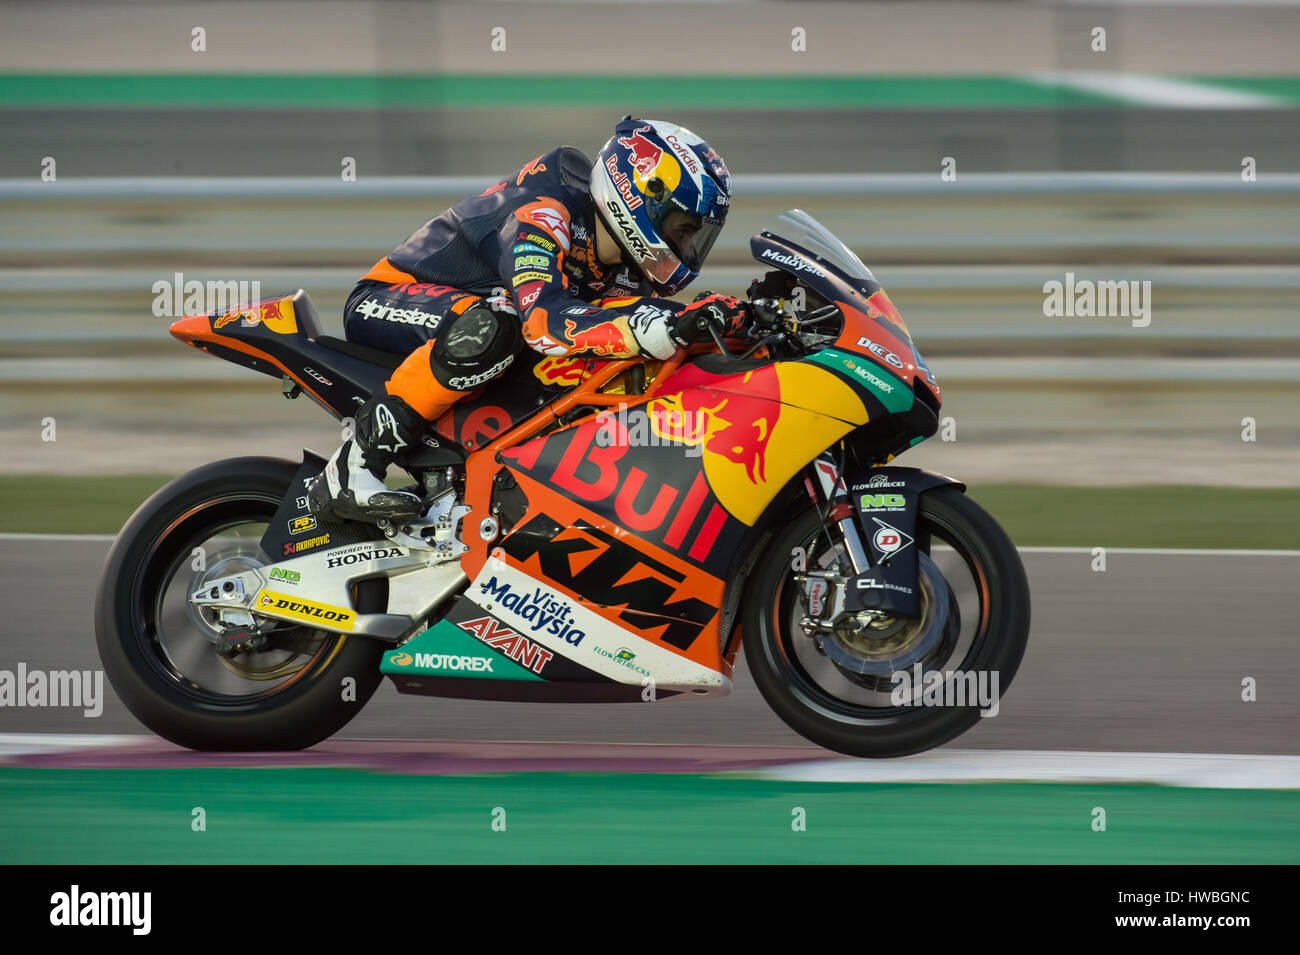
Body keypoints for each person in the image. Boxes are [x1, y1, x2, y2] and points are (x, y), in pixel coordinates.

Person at [308, 117, 746, 522]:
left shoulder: (629, 269)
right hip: (390, 298)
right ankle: (353, 466)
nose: (686, 248)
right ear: (640, 196)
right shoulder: (544, 213)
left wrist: (716, 320)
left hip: (484, 316)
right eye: (683, 229)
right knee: (496, 326)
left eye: (696, 236)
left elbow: (613, 327)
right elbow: (544, 323)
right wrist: (642, 327)